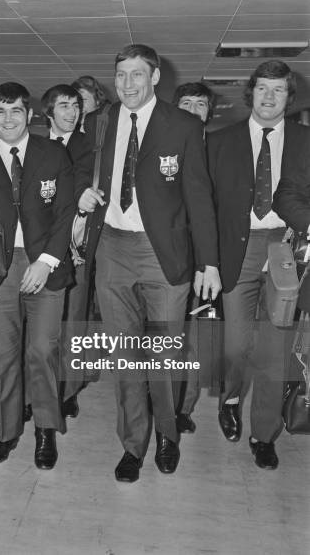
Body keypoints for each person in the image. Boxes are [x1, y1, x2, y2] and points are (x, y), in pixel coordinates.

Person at [79, 44, 221, 482]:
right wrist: (82, 200)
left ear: (155, 78)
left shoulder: (183, 125)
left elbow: (198, 196)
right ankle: (132, 444)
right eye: (121, 75)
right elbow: (86, 175)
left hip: (165, 254)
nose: (127, 84)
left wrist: (209, 263)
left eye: (136, 75)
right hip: (113, 250)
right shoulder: (98, 121)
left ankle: (167, 435)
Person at [0, 82, 75, 469]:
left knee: (42, 351)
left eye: (16, 112)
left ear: (30, 115)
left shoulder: (52, 153)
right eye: (1, 112)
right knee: (2, 355)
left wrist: (48, 260)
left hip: (45, 266)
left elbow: (66, 211)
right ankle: (6, 432)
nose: (8, 120)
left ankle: (44, 431)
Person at [210, 60, 306, 470]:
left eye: (279, 90)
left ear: (289, 96)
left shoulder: (306, 140)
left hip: (284, 249)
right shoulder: (219, 141)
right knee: (235, 345)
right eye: (263, 89)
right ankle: (230, 396)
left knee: (274, 350)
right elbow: (205, 205)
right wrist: (206, 262)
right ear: (251, 93)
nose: (269, 97)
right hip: (236, 248)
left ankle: (262, 434)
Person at [40, 84, 93, 419]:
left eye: (75, 106)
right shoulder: (35, 145)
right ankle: (40, 389)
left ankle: (69, 390)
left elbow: (83, 186)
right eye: (64, 106)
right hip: (38, 245)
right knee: (42, 327)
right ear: (49, 112)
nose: (71, 112)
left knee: (73, 319)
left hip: (76, 242)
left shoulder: (89, 145)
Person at [172, 81, 217, 434]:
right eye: (184, 103)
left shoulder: (221, 152)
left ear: (209, 112)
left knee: (195, 339)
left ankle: (182, 408)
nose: (191, 110)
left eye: (199, 104)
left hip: (206, 262)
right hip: (167, 259)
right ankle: (158, 398)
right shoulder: (160, 148)